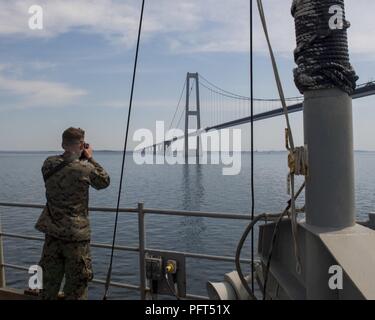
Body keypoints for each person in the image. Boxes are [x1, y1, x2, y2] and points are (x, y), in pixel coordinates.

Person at [35, 127, 110, 299]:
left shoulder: (48, 163)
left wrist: (78, 155)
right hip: (76, 237)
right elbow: (104, 181)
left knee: (47, 285)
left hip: (52, 235)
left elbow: (63, 165)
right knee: (76, 287)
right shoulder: (85, 169)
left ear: (62, 144)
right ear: (82, 145)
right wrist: (90, 158)